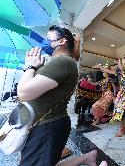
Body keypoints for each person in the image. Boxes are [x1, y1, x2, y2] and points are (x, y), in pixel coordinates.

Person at [17, 25, 80, 166]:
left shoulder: (63, 61)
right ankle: (87, 158)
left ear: (61, 41)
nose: (44, 41)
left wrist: (30, 67)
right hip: (42, 124)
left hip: (47, 125)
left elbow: (23, 93)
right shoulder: (57, 62)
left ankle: (88, 158)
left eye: (48, 38)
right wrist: (36, 66)